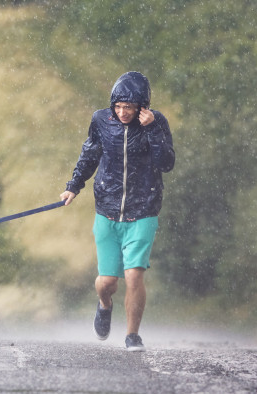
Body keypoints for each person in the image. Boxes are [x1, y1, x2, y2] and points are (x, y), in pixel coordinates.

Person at [60, 71, 175, 351]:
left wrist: (151, 130)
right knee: (107, 282)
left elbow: (166, 163)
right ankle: (104, 304)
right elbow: (90, 153)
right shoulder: (101, 120)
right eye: (119, 106)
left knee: (134, 274)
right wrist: (73, 186)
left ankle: (132, 335)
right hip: (108, 210)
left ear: (142, 107)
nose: (123, 112)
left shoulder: (156, 122)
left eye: (129, 107)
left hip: (143, 210)